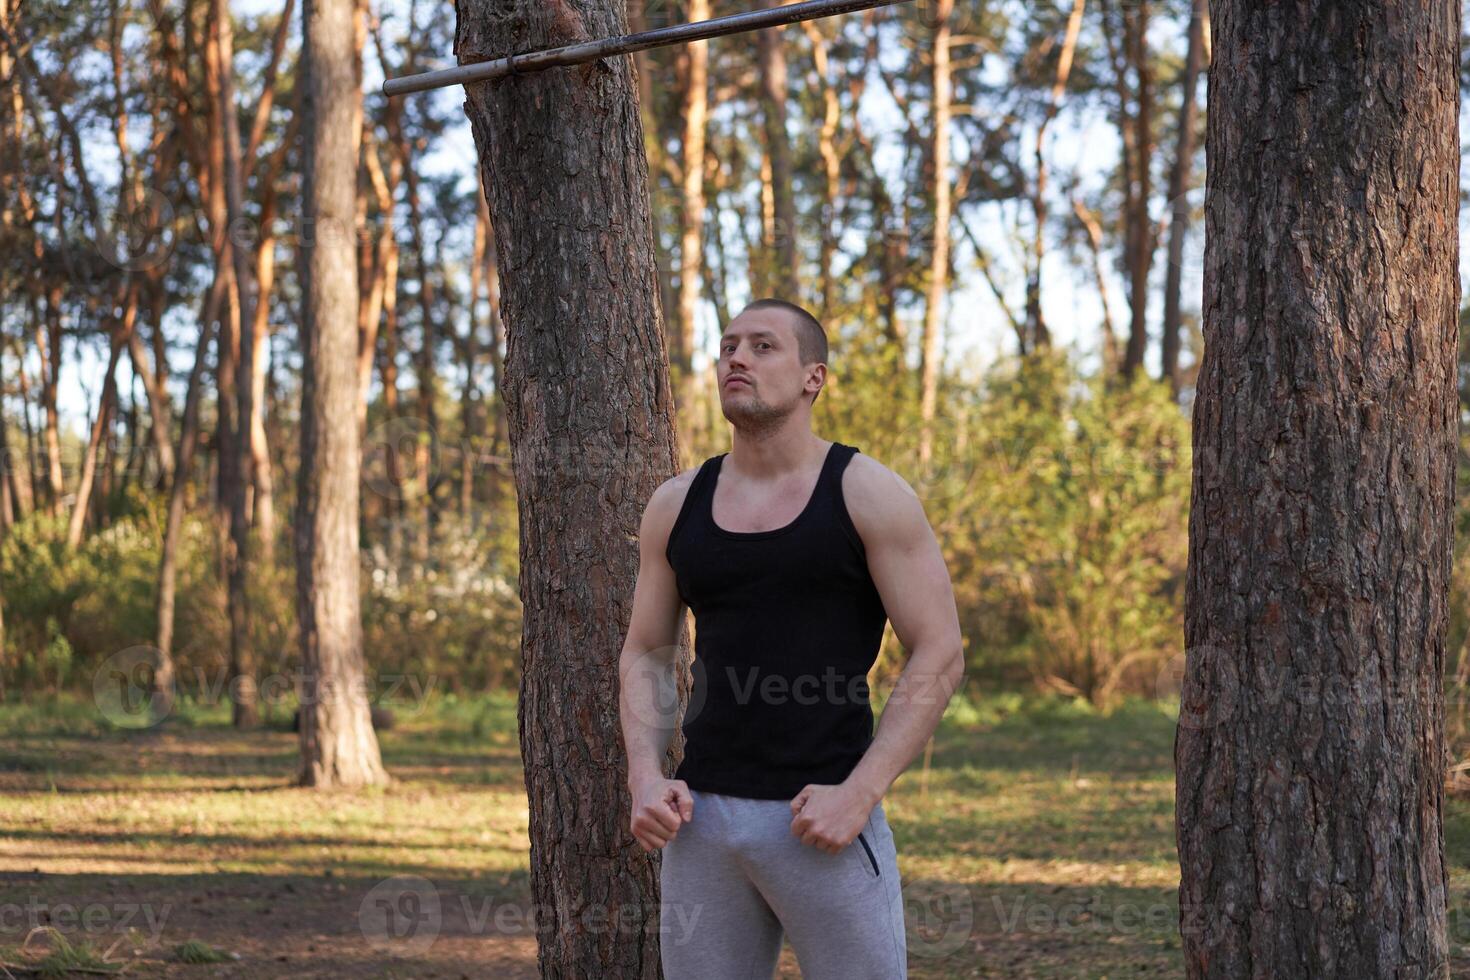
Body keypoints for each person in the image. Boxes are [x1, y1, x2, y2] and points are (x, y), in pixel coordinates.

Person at [618, 297, 966, 980]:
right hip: (701, 824)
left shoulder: (867, 493)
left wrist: (860, 793)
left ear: (814, 377)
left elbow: (940, 650)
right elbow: (646, 651)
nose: (737, 358)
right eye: (727, 347)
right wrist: (644, 776)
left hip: (826, 818)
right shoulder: (675, 503)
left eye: (763, 346)